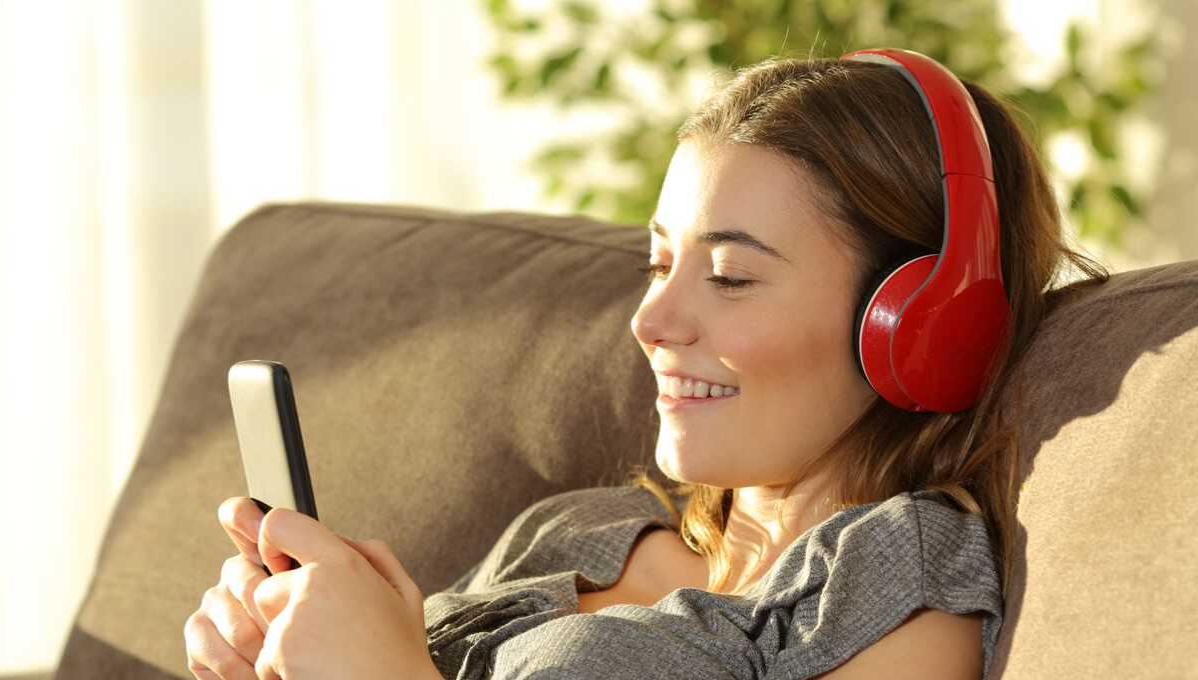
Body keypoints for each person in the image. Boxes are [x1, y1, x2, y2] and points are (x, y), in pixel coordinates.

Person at [182, 53, 1110, 680]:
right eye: (660, 262)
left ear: (913, 324)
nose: (651, 319)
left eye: (732, 276)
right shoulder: (578, 532)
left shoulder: (896, 571)